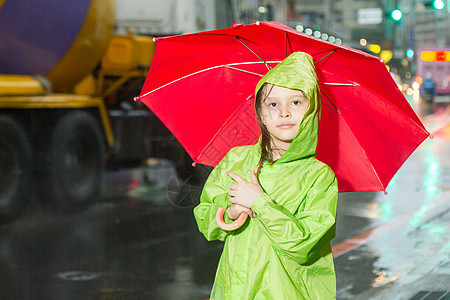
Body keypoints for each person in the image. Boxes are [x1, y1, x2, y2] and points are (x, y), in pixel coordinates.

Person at [193, 52, 338, 299]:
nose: (284, 113)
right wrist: (230, 212)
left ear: (312, 110)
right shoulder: (236, 159)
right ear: (260, 114)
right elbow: (206, 219)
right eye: (273, 104)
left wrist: (259, 202)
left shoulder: (319, 177)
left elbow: (304, 245)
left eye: (296, 102)